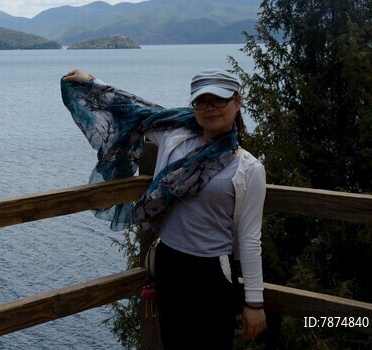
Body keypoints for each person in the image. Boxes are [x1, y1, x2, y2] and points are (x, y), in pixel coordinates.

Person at [61, 67, 266, 348]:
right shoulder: (174, 136)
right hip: (170, 262)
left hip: (213, 272)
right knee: (173, 342)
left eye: (219, 100)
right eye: (202, 101)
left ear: (237, 102)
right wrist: (91, 82)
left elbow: (250, 238)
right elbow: (132, 108)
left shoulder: (249, 168)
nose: (210, 108)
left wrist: (254, 302)